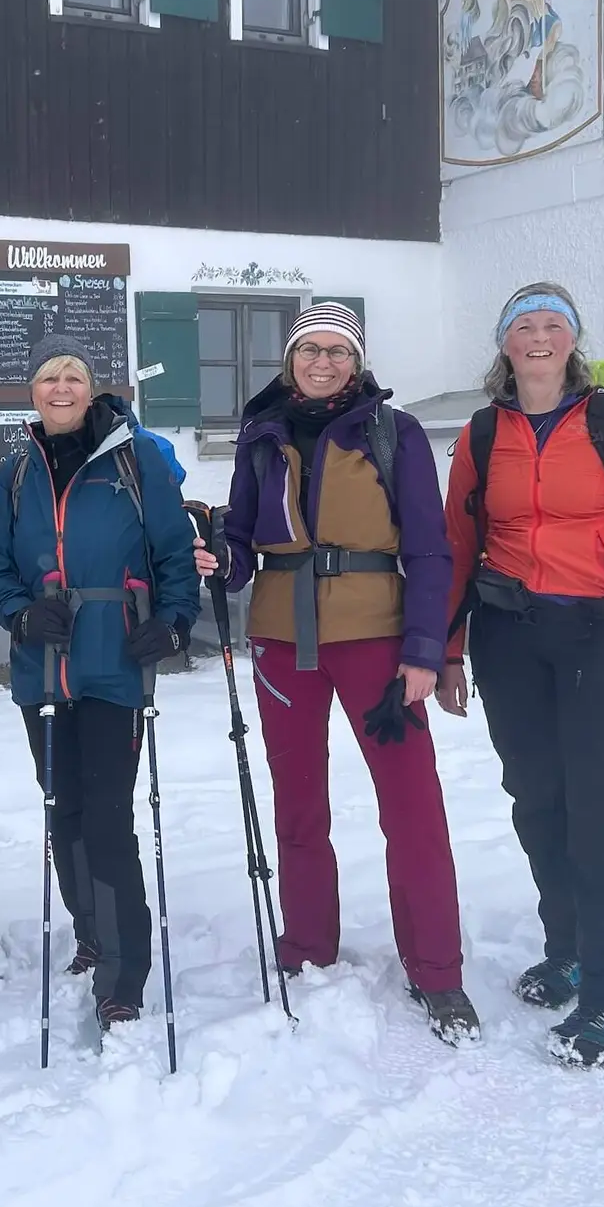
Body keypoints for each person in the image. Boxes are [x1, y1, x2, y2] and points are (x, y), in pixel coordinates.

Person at [202, 304, 478, 1045]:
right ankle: (306, 947)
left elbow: (429, 548)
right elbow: (240, 539)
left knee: (412, 805)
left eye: (337, 351)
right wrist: (218, 559)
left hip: (379, 640)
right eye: (308, 350)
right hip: (282, 637)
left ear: (356, 363)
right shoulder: (260, 434)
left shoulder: (396, 434)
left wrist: (426, 650)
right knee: (297, 802)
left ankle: (437, 970)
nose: (322, 362)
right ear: (289, 358)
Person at [438, 282, 604, 1068]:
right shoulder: (482, 434)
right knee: (539, 800)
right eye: (523, 326)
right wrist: (448, 647)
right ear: (505, 344)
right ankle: (571, 949)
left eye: (552, 326)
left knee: (603, 812)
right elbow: (457, 545)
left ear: (572, 341)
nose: (538, 338)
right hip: (510, 636)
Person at [0, 333, 199, 1033]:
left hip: (113, 662)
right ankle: (91, 932)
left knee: (107, 815)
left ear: (93, 387)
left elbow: (172, 550)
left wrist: (173, 622)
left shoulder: (134, 462)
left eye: (74, 375)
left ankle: (123, 972)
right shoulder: (15, 470)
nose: (62, 387)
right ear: (33, 392)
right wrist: (17, 612)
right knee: (63, 809)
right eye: (49, 377)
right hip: (43, 662)